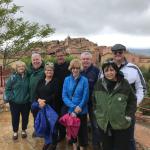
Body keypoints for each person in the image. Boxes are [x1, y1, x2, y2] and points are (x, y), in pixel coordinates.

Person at [93, 61, 137, 150]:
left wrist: (128, 116)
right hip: (104, 123)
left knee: (121, 147)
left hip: (121, 124)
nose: (109, 73)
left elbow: (132, 101)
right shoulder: (99, 84)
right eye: (106, 71)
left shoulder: (124, 83)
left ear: (116, 71)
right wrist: (97, 112)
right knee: (106, 147)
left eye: (111, 70)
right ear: (103, 72)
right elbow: (94, 100)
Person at [111, 44, 146, 150]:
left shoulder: (133, 68)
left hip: (128, 111)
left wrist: (135, 103)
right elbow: (99, 88)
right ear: (112, 53)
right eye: (115, 52)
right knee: (113, 137)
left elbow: (142, 88)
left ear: (124, 53)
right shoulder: (107, 68)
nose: (118, 54)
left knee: (129, 138)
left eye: (120, 52)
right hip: (112, 111)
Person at [62, 59, 89, 150]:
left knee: (82, 132)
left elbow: (86, 96)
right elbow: (64, 96)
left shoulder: (84, 80)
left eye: (77, 68)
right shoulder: (67, 79)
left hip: (82, 110)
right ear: (71, 68)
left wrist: (79, 107)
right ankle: (74, 147)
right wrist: (73, 107)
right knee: (72, 131)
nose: (75, 70)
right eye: (73, 68)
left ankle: (81, 148)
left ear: (80, 68)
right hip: (71, 109)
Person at [34, 62, 59, 150]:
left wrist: (45, 101)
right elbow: (36, 93)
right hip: (41, 107)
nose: (49, 72)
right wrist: (39, 100)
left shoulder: (55, 81)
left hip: (52, 107)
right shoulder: (41, 81)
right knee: (45, 125)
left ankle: (54, 143)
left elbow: (55, 94)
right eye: (47, 70)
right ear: (45, 71)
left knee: (53, 125)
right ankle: (47, 142)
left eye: (51, 70)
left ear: (53, 72)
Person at [4, 61, 30, 140]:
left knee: (25, 117)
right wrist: (11, 98)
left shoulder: (28, 76)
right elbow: (7, 89)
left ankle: (23, 130)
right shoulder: (12, 77)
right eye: (19, 66)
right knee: (15, 118)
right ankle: (15, 131)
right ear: (16, 68)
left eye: (23, 66)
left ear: (25, 68)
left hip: (26, 102)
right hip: (15, 103)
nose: (21, 68)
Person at [80, 52, 101, 150]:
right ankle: (83, 143)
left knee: (95, 123)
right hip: (81, 102)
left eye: (87, 59)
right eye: (83, 59)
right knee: (82, 123)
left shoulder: (96, 71)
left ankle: (96, 144)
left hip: (93, 102)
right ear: (81, 60)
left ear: (91, 60)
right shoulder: (78, 70)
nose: (85, 61)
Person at [54, 48, 70, 141]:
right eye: (58, 56)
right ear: (56, 57)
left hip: (67, 96)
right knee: (58, 116)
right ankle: (62, 134)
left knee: (65, 115)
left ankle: (70, 135)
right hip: (56, 96)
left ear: (64, 55)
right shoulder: (54, 66)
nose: (60, 57)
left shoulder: (69, 66)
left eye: (61, 55)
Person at [28, 52, 45, 137]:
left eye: (37, 59)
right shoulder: (29, 70)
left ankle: (42, 131)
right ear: (31, 61)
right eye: (34, 60)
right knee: (35, 116)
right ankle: (36, 129)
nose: (36, 61)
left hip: (42, 99)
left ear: (41, 60)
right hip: (32, 99)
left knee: (42, 115)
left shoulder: (45, 70)